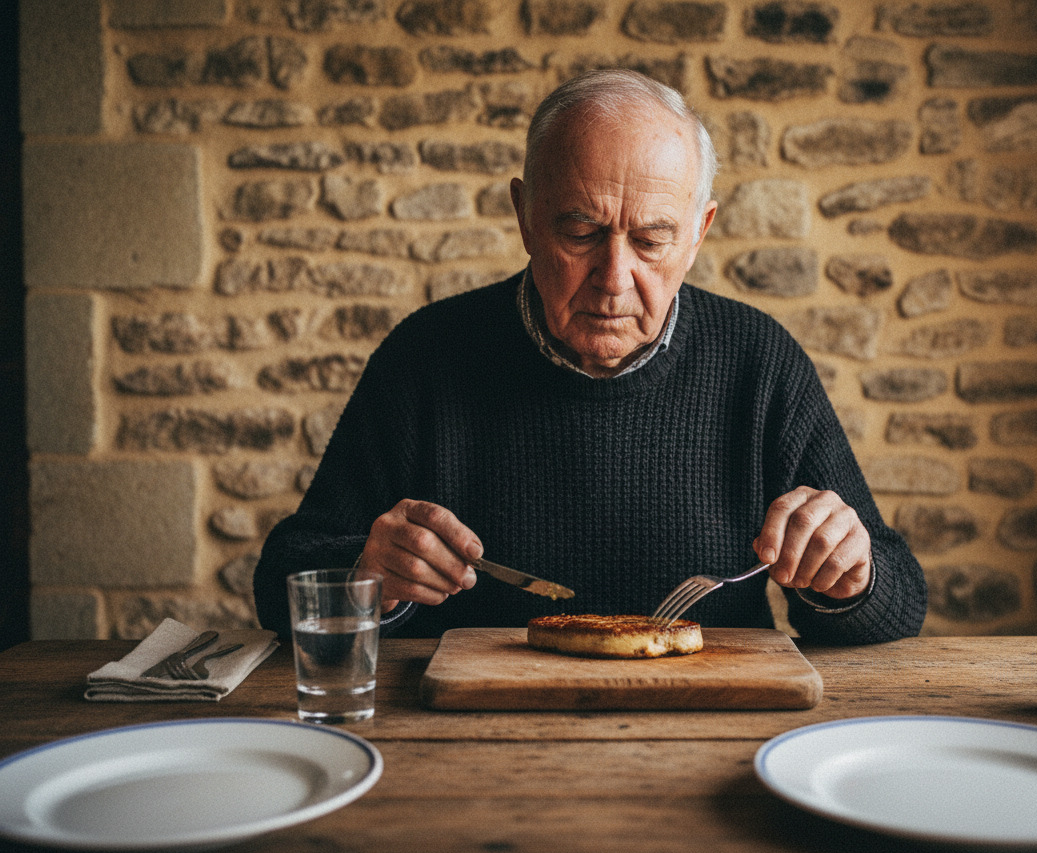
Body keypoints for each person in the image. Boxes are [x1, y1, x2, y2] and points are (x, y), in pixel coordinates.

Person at [253, 69, 927, 644]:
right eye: (580, 231)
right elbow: (281, 581)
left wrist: (850, 573)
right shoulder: (425, 357)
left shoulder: (758, 361)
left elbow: (900, 605)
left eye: (652, 240)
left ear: (698, 234)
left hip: (713, 736)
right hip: (465, 742)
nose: (613, 277)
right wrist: (369, 579)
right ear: (525, 216)